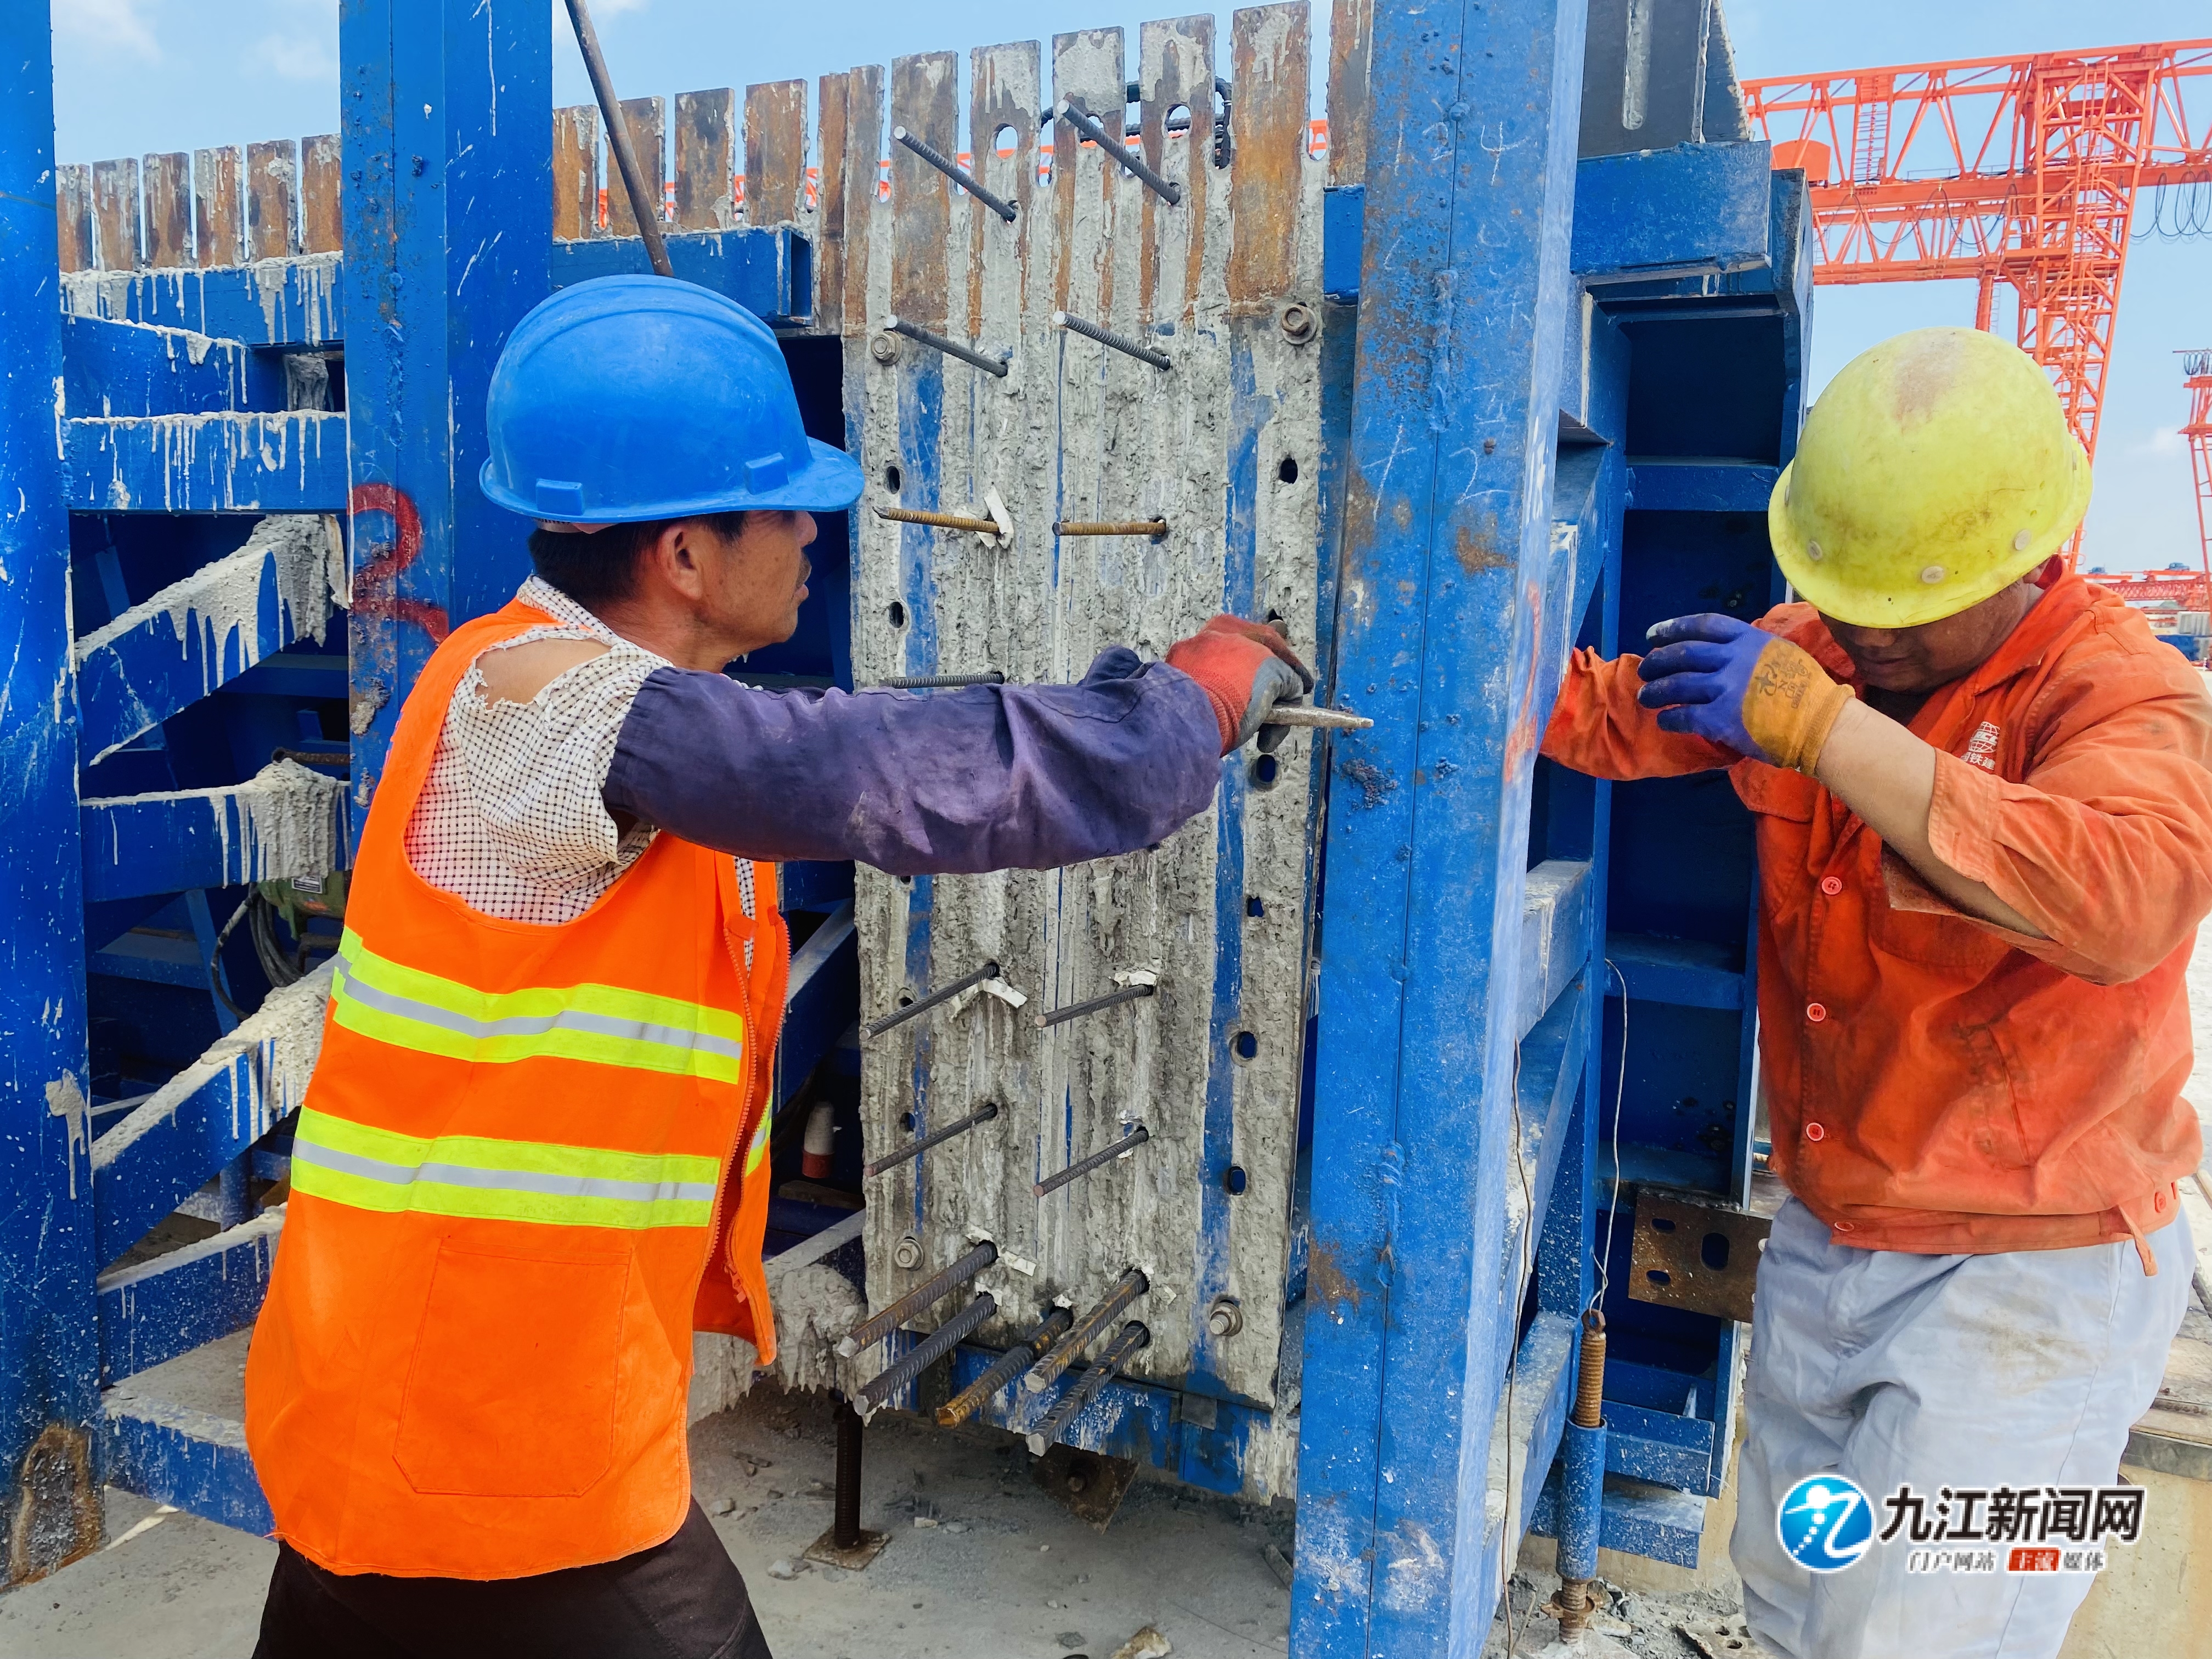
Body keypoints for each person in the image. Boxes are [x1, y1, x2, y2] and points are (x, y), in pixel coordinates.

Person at [243, 275, 1312, 1658]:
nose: (816, 531)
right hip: (485, 1434)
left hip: (415, 1391)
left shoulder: (625, 710)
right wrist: (1184, 710)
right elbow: (879, 772)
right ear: (686, 555)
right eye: (786, 506)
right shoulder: (536, 710)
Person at [1542, 326, 2212, 1659]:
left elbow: (2125, 897)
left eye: (1891, 613)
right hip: (1838, 1236)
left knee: (1920, 1638)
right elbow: (1613, 716)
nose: (1854, 634)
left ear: (2024, 560)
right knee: (1796, 1599)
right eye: (1840, 602)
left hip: (2037, 1282)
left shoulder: (2123, 695)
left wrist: (1830, 735)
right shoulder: (1834, 653)